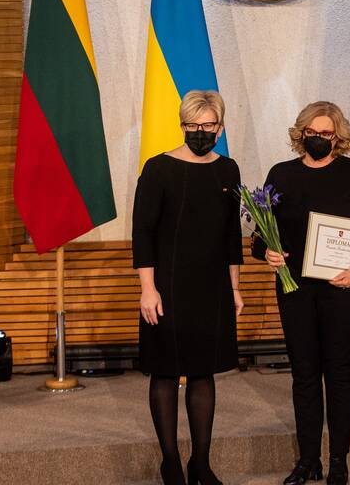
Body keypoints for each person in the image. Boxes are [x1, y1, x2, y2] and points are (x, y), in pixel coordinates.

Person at [254, 101, 350, 485]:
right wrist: (264, 250)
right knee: (303, 375)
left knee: (338, 372)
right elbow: (260, 233)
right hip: (294, 289)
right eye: (311, 134)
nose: (317, 139)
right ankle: (308, 459)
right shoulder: (280, 175)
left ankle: (339, 461)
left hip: (343, 290)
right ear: (301, 135)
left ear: (338, 137)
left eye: (325, 134)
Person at [133, 91, 244, 485]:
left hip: (212, 286)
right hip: (166, 286)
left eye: (208, 125)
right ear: (182, 126)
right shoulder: (159, 168)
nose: (200, 132)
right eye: (193, 125)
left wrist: (234, 289)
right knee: (164, 373)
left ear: (221, 127)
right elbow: (143, 234)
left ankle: (201, 462)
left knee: (203, 373)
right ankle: (170, 462)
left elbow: (232, 236)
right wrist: (149, 288)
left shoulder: (228, 170)